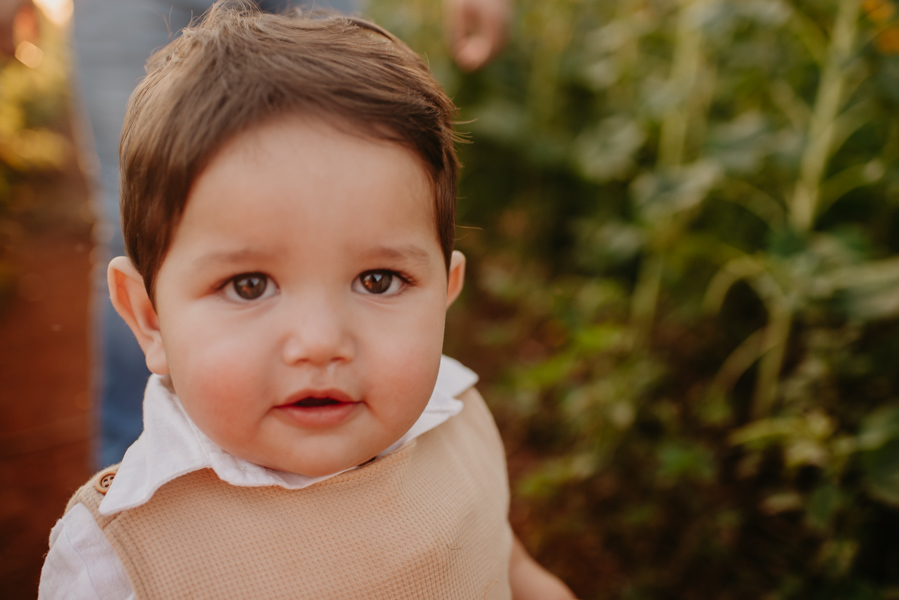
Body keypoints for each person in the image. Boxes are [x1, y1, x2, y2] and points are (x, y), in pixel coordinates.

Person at [38, 3, 574, 598]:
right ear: (149, 318)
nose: (320, 341)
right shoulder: (118, 561)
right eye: (248, 285)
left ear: (446, 295)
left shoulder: (460, 418)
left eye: (378, 280)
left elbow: (509, 569)